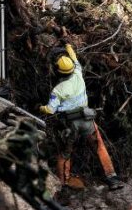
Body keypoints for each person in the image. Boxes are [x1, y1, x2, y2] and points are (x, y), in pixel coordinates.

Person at [39, 43, 123, 191]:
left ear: (58, 72)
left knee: (65, 153)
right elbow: (74, 58)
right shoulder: (78, 73)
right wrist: (68, 46)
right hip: (87, 119)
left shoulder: (58, 89)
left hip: (70, 124)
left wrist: (40, 107)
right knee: (99, 146)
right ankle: (112, 178)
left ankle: (63, 186)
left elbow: (50, 110)